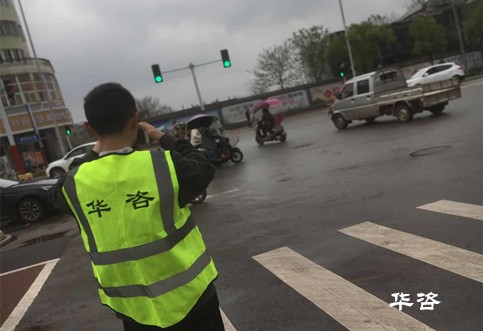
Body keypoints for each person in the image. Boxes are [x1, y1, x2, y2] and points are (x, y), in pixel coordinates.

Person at [48, 82, 224, 331]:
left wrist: (95, 151)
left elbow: (55, 192)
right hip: (193, 299)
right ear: (135, 119)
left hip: (135, 312)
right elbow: (204, 165)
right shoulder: (164, 165)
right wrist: (163, 137)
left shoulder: (73, 184)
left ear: (89, 129)